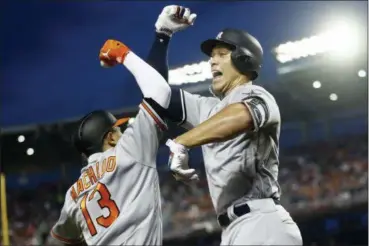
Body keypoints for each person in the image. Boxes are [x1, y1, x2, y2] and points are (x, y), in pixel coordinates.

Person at [101, 5, 303, 245]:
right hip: (235, 230)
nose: (211, 61)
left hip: (262, 223)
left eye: (221, 54)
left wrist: (182, 142)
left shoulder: (259, 95)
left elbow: (242, 116)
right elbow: (157, 93)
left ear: (243, 58)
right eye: (211, 56)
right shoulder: (207, 109)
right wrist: (160, 35)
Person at [49, 15, 195, 244]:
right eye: (118, 130)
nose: (123, 132)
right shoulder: (128, 151)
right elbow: (158, 91)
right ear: (110, 138)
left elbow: (58, 241)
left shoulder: (72, 195)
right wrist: (132, 49)